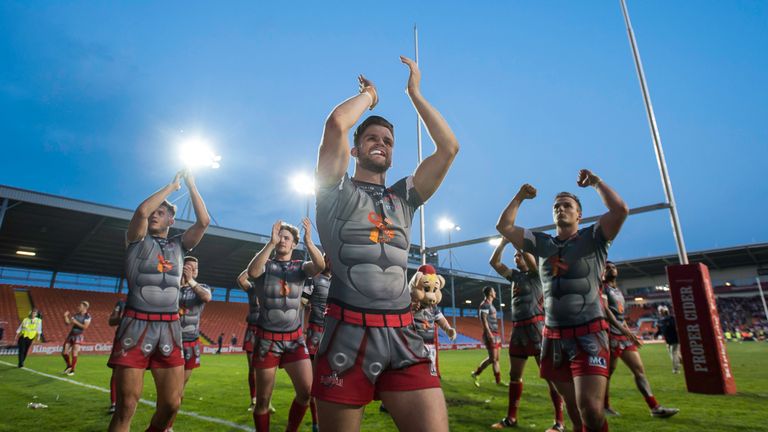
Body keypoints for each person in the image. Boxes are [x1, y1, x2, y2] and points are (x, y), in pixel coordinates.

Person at [313, 55, 458, 431]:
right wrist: (370, 96)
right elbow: (336, 124)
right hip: (346, 333)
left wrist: (414, 93)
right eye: (372, 138)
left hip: (403, 332)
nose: (382, 144)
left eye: (388, 141)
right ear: (356, 149)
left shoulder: (404, 198)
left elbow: (448, 148)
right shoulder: (334, 190)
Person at [496, 170, 628, 432]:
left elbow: (620, 210)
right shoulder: (543, 243)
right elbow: (505, 227)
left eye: (567, 205)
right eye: (557, 206)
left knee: (590, 409)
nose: (561, 209)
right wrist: (520, 197)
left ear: (579, 214)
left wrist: (596, 183)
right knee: (574, 410)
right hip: (553, 336)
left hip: (589, 332)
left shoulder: (594, 238)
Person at [108, 169, 210, 432]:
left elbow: (204, 221)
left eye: (161, 212)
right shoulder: (136, 240)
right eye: (155, 211)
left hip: (170, 328)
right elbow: (141, 211)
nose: (155, 213)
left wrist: (192, 184)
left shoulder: (179, 246)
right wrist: (172, 186)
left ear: (172, 220)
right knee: (127, 406)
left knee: (171, 405)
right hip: (136, 324)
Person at [246, 218, 324, 432]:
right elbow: (252, 273)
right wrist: (269, 244)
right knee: (262, 400)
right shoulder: (266, 265)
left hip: (294, 340)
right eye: (279, 235)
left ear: (293, 244)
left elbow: (320, 265)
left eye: (286, 237)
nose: (282, 239)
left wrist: (309, 241)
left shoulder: (300, 267)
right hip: (266, 340)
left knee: (307, 392)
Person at [489, 239, 564, 431]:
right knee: (514, 375)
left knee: (550, 376)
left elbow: (531, 261)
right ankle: (511, 418)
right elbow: (494, 263)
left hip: (537, 329)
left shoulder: (538, 273)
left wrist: (518, 244)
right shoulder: (515, 276)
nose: (516, 257)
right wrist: (504, 243)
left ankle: (559, 423)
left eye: (518, 255)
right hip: (518, 331)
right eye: (514, 256)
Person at [601, 261, 678, 419]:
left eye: (613, 266)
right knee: (607, 374)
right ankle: (604, 406)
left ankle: (654, 407)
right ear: (602, 271)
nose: (611, 268)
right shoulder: (602, 288)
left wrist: (630, 333)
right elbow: (606, 311)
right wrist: (623, 330)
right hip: (609, 335)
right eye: (607, 267)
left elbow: (620, 317)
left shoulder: (618, 291)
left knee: (639, 371)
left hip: (623, 335)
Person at [166, 256, 212, 431]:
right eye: (188, 267)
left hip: (190, 344)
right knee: (168, 388)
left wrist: (191, 280)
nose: (192, 270)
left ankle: (168, 425)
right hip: (169, 342)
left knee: (178, 389)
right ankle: (164, 422)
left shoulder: (202, 288)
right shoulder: (171, 287)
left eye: (195, 268)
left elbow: (206, 298)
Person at [302, 254, 332, 432]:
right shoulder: (313, 279)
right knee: (314, 382)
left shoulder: (339, 282)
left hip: (333, 333)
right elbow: (302, 303)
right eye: (327, 259)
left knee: (332, 380)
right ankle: (316, 423)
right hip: (315, 332)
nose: (330, 263)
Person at [471, 286, 505, 387]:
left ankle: (477, 374)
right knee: (493, 359)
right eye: (494, 291)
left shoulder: (491, 305)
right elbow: (484, 320)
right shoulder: (484, 305)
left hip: (496, 333)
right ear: (490, 293)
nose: (495, 292)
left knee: (494, 359)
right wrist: (489, 333)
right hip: (490, 334)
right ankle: (497, 381)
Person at [107, 297, 126, 414]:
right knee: (116, 371)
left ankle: (128, 402)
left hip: (142, 339)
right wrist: (122, 317)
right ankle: (114, 403)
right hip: (122, 338)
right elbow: (111, 321)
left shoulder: (147, 299)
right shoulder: (122, 302)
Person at [61, 300, 91, 376]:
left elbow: (85, 327)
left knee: (74, 352)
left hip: (78, 335)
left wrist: (76, 322)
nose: (78, 307)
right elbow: (67, 323)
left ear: (84, 307)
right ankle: (69, 366)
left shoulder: (88, 316)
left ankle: (72, 370)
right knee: (64, 352)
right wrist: (65, 316)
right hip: (71, 335)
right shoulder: (76, 315)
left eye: (80, 306)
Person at [655, 305, 681, 374]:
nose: (660, 312)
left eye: (661, 311)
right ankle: (680, 363)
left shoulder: (671, 319)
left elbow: (673, 328)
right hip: (668, 340)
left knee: (673, 354)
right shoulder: (661, 320)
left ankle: (676, 369)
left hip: (674, 339)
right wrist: (656, 334)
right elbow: (661, 330)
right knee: (676, 354)